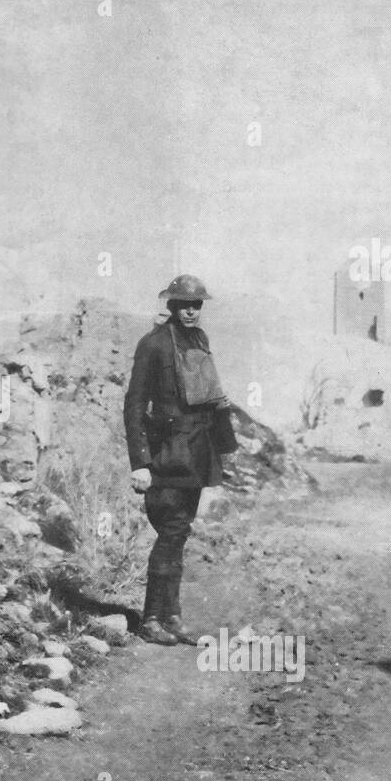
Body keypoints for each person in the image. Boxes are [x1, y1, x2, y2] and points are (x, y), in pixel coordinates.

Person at [123, 274, 231, 646]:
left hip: (197, 453)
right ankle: (152, 618)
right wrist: (139, 461)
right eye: (184, 304)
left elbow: (209, 397)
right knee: (170, 531)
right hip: (167, 453)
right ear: (170, 305)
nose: (191, 311)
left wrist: (223, 450)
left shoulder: (200, 340)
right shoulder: (152, 344)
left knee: (180, 532)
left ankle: (171, 615)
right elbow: (134, 403)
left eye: (197, 304)